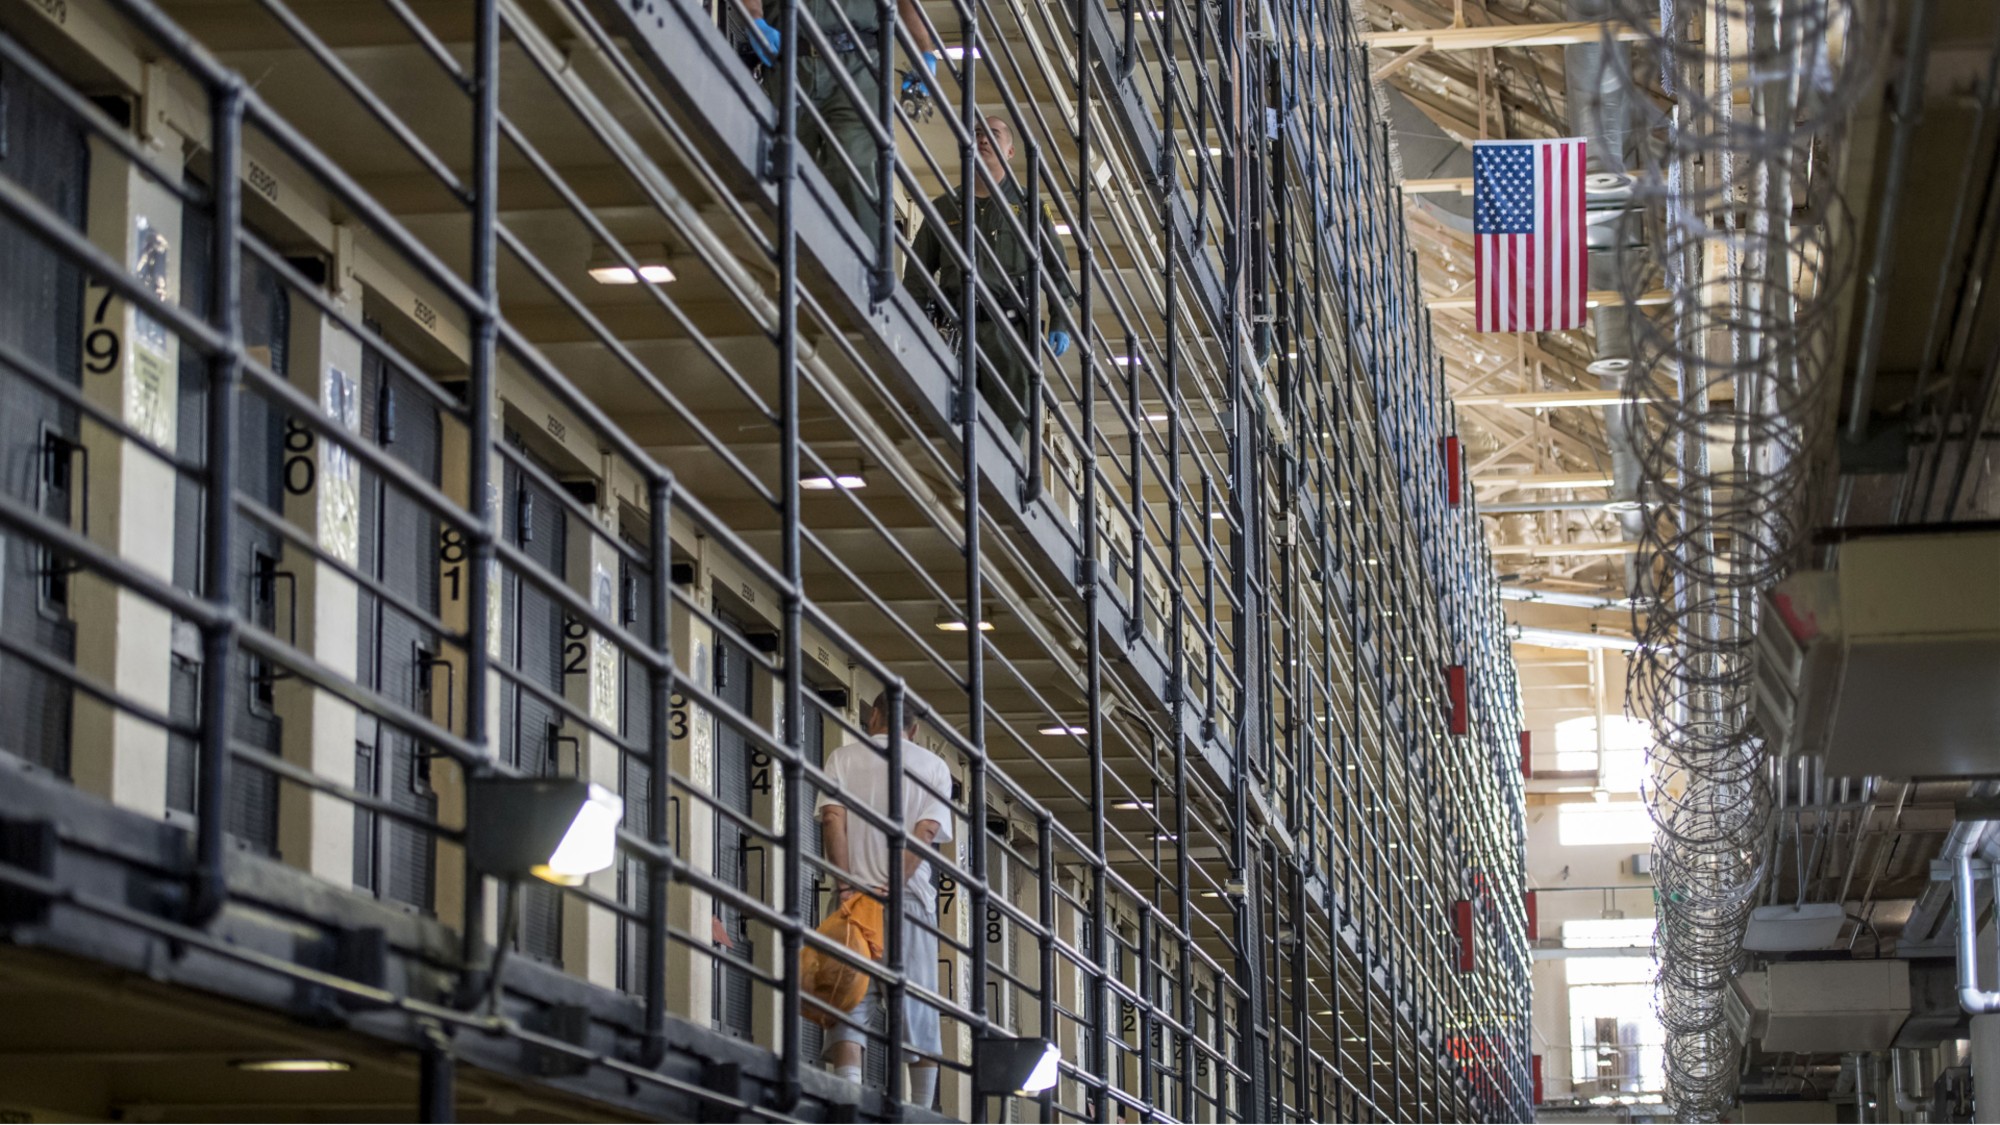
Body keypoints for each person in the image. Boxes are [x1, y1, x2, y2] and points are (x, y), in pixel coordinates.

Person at [815, 691, 955, 1106]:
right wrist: (894, 881)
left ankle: (849, 1101)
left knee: (847, 1001)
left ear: (873, 715)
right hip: (908, 900)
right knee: (917, 1006)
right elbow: (926, 832)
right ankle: (921, 1111)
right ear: (914, 729)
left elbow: (832, 819)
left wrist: (845, 885)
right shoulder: (933, 767)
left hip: (852, 899)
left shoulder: (842, 759)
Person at [903, 116, 1073, 440]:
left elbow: (1056, 270)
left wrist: (1060, 321)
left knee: (1008, 428)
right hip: (956, 328)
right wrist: (914, 323)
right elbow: (917, 273)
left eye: (992, 134)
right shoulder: (945, 207)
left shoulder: (1030, 209)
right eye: (977, 133)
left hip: (1009, 335)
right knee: (947, 421)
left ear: (1010, 152)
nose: (982, 139)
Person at [740, 0, 935, 248]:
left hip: (857, 62)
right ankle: (786, 259)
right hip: (789, 58)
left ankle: (865, 262)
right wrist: (754, 18)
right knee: (788, 168)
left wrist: (924, 50)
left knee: (854, 163)